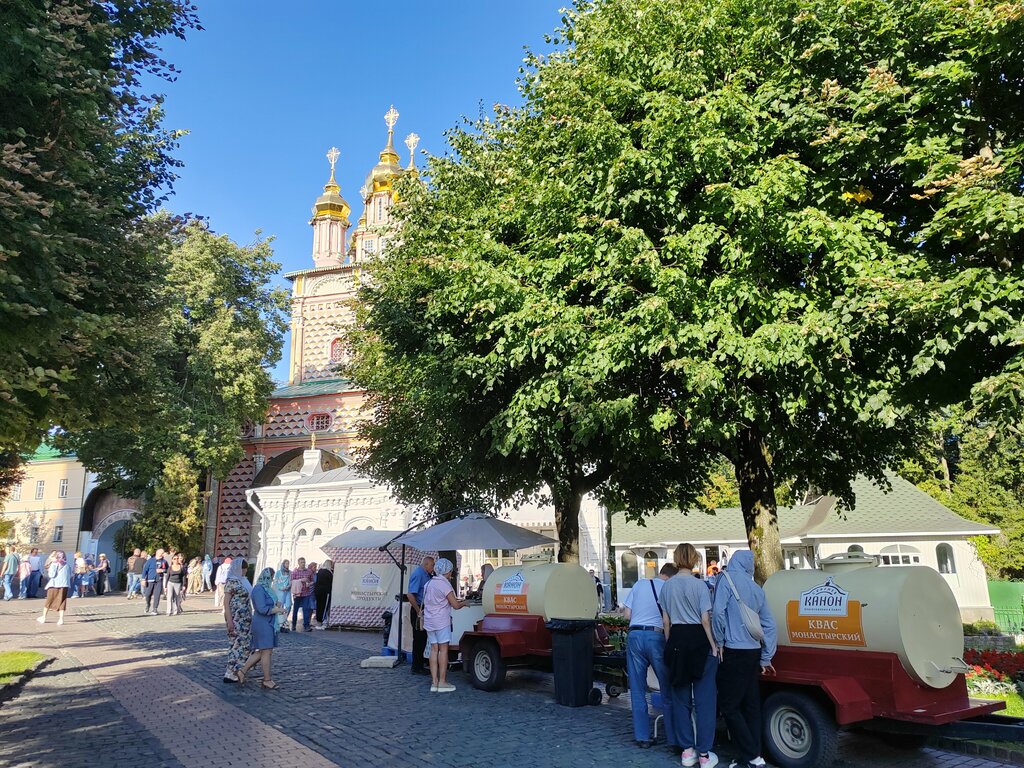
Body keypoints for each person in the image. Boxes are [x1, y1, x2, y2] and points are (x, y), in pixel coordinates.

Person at [713, 551, 778, 768]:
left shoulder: (726, 579)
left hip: (733, 651)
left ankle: (752, 756)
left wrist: (719, 641)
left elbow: (718, 613)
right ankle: (753, 754)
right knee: (751, 706)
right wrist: (766, 656)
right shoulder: (756, 589)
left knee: (729, 706)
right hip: (754, 653)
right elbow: (769, 625)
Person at [661, 543, 720, 768]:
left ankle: (687, 751)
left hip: (677, 639)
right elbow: (706, 619)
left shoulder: (667, 587)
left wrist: (669, 643)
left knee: (680, 698)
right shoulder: (700, 586)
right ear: (694, 559)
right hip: (699, 640)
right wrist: (713, 645)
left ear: (676, 559)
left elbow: (666, 621)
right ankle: (704, 753)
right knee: (705, 700)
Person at [624, 562, 679, 748]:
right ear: (671, 577)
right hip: (656, 637)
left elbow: (626, 614)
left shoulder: (640, 584)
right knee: (666, 687)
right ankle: (673, 738)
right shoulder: (669, 588)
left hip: (634, 635)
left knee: (638, 689)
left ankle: (642, 737)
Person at [422, 557, 465, 693]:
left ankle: (434, 682)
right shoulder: (445, 584)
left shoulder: (428, 584)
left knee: (434, 650)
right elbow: (456, 605)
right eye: (451, 571)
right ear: (448, 571)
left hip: (429, 621)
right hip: (441, 621)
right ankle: (443, 681)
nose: (451, 574)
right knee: (443, 650)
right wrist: (466, 603)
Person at [238, 567, 283, 688]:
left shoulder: (267, 589)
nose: (271, 580)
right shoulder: (258, 589)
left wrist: (277, 604)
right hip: (262, 623)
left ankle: (242, 671)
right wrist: (277, 609)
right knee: (266, 651)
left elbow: (271, 602)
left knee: (264, 651)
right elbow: (261, 608)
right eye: (271, 577)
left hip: (269, 623)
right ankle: (266, 679)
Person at [222, 557, 253, 683]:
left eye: (245, 569)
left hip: (245, 618)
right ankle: (230, 671)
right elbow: (226, 603)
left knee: (245, 644)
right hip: (236, 618)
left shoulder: (244, 581)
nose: (245, 571)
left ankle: (238, 670)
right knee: (236, 644)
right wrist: (229, 621)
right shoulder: (232, 582)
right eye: (243, 568)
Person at [405, 555, 435, 676]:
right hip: (419, 609)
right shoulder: (418, 574)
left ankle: (419, 664)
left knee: (422, 638)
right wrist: (418, 611)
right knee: (419, 638)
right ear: (426, 564)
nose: (433, 568)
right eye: (432, 565)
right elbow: (410, 595)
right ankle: (416, 667)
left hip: (423, 608)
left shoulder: (427, 574)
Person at [37, 551, 71, 625]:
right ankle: (61, 619)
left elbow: (51, 575)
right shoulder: (67, 565)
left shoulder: (55, 564)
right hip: (64, 586)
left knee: (49, 601)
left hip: (54, 585)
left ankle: (43, 617)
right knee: (62, 602)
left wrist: (50, 568)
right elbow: (69, 575)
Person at [289, 557, 314, 632]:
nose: (303, 564)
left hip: (306, 593)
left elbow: (312, 581)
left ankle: (306, 625)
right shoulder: (295, 572)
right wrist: (300, 580)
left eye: (304, 562)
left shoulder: (309, 571)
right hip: (297, 594)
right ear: (298, 563)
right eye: (301, 562)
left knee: (306, 609)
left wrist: (309, 584)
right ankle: (293, 624)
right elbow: (291, 582)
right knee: (295, 610)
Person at [142, 547, 168, 615]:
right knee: (147, 594)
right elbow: (145, 570)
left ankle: (155, 609)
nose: (162, 554)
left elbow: (167, 570)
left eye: (163, 553)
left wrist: (162, 570)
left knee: (157, 595)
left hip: (159, 580)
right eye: (161, 553)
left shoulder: (164, 561)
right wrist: (143, 579)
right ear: (157, 553)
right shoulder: (150, 560)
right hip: (150, 580)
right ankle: (148, 604)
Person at [272, 560, 292, 633]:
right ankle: (281, 623)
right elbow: (276, 582)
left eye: (288, 563)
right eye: (286, 563)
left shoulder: (290, 572)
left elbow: (290, 581)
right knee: (280, 606)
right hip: (280, 591)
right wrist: (280, 587)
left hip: (287, 591)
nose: (287, 565)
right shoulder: (278, 572)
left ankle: (284, 619)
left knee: (288, 605)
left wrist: (288, 586)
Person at [313, 559, 334, 629]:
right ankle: (320, 623)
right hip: (325, 592)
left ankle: (319, 621)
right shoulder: (328, 572)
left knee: (319, 606)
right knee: (324, 607)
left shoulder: (320, 571)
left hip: (318, 591)